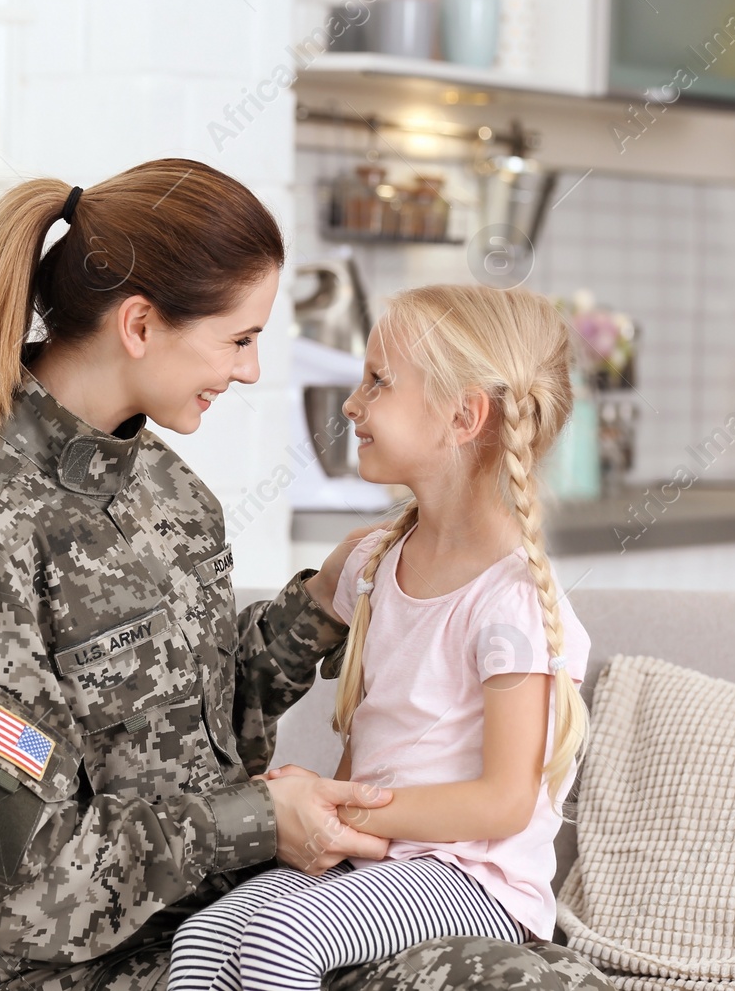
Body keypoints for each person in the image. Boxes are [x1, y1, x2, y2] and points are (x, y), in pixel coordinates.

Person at [0, 159, 616, 991]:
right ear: (139, 324)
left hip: (252, 921)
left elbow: (192, 724)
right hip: (105, 966)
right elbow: (17, 885)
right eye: (240, 338)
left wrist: (311, 614)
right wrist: (256, 822)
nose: (251, 371)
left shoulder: (172, 495)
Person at [166, 284, 596, 991]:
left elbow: (502, 803)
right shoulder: (372, 564)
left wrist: (338, 801)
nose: (350, 403)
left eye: (378, 381)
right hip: (383, 858)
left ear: (463, 416)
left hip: (471, 877)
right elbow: (282, 658)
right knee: (204, 937)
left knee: (279, 939)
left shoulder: (510, 601)